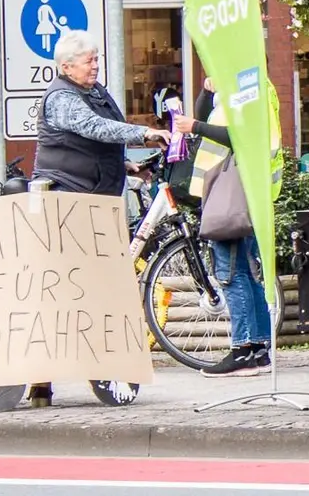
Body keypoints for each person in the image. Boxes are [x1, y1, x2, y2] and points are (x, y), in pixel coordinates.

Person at [29, 30, 170, 406]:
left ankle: (88, 367)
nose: (95, 65)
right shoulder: (61, 96)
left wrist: (127, 167)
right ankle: (46, 377)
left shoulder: (93, 92)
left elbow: (91, 146)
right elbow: (92, 128)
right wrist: (144, 133)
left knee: (97, 287)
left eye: (96, 59)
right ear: (66, 66)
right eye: (89, 60)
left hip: (94, 202)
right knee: (76, 291)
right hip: (67, 204)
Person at [172, 76, 281, 377]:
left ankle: (243, 350)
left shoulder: (248, 85)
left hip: (233, 192)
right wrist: (208, 91)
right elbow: (206, 114)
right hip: (239, 190)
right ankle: (258, 350)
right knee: (245, 272)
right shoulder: (244, 82)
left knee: (231, 274)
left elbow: (241, 135)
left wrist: (194, 127)